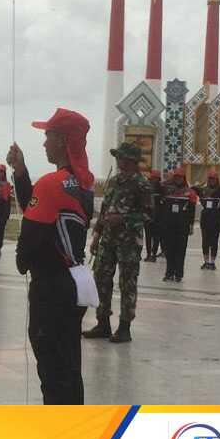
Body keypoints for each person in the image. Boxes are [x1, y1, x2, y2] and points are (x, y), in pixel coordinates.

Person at [7, 108, 95, 405]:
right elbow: (38, 204)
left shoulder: (52, 183)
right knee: (69, 361)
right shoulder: (83, 182)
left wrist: (21, 261)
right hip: (73, 281)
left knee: (51, 364)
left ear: (62, 140)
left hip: (51, 286)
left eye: (48, 136)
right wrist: (20, 171)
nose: (44, 143)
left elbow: (32, 231)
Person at [84, 142, 149, 343]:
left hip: (129, 241)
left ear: (130, 160)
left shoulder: (141, 184)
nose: (118, 160)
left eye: (121, 157)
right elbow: (104, 210)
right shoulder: (113, 182)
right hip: (108, 239)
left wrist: (124, 219)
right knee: (101, 279)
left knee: (127, 283)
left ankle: (124, 327)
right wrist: (96, 236)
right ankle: (102, 322)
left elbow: (149, 214)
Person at [159, 167, 197, 283]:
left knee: (181, 250)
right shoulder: (166, 190)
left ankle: (178, 274)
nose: (178, 179)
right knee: (169, 250)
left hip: (183, 226)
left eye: (180, 177)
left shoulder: (189, 192)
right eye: (176, 177)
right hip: (168, 225)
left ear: (184, 178)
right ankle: (169, 273)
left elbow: (192, 211)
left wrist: (191, 225)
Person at [196, 170, 220, 271]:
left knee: (214, 241)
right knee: (205, 241)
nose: (212, 181)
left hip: (216, 218)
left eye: (214, 179)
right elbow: (193, 189)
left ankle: (212, 262)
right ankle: (206, 261)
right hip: (205, 218)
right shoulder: (203, 190)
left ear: (217, 180)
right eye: (210, 179)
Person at [143, 170, 163, 262]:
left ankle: (153, 254)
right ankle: (148, 254)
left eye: (155, 178)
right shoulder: (146, 188)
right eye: (152, 178)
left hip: (158, 217)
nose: (154, 180)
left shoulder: (162, 189)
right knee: (148, 236)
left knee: (156, 237)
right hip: (148, 216)